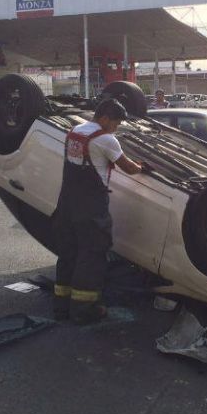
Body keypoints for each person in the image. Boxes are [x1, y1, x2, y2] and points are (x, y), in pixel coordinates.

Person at [52, 98, 148, 325]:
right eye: (116, 123)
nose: (117, 128)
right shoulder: (105, 139)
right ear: (104, 118)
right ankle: (84, 310)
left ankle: (61, 308)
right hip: (90, 208)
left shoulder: (75, 131)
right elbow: (128, 168)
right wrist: (143, 168)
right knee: (91, 255)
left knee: (69, 253)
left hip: (66, 204)